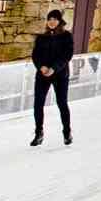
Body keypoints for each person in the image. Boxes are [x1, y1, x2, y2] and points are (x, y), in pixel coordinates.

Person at [30, 9, 74, 146]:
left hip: (60, 74)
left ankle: (66, 132)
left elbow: (67, 55)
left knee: (62, 103)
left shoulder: (67, 36)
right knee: (38, 103)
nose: (51, 22)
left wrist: (54, 68)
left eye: (54, 19)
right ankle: (38, 133)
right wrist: (41, 66)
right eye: (49, 19)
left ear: (59, 21)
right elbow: (35, 55)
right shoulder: (41, 37)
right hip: (43, 74)